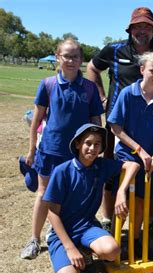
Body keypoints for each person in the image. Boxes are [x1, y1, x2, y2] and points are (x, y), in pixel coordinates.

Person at [86, 6, 153, 231]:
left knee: (150, 175)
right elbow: (92, 68)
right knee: (113, 172)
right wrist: (100, 95)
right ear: (130, 29)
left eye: (147, 27)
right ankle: (109, 220)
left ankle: (148, 224)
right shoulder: (114, 49)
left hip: (149, 123)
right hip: (118, 124)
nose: (142, 31)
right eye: (138, 26)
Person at [20, 38, 104, 260]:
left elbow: (96, 119)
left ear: (81, 60)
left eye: (75, 56)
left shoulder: (89, 88)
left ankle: (72, 231)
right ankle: (34, 239)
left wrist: (97, 145)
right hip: (51, 150)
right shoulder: (48, 84)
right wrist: (31, 150)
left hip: (78, 153)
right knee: (44, 194)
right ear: (58, 57)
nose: (71, 60)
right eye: (66, 55)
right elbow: (37, 119)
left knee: (77, 195)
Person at [43, 124, 139, 273]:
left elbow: (133, 165)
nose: (92, 148)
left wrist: (121, 191)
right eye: (88, 143)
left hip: (87, 226)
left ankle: (84, 249)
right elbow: (52, 214)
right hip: (62, 232)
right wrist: (70, 248)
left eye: (97, 144)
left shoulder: (101, 165)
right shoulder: (62, 171)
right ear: (78, 144)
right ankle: (65, 254)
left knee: (112, 251)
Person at [107, 52, 153, 255]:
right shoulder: (128, 93)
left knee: (142, 203)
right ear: (142, 70)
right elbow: (115, 128)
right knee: (124, 200)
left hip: (151, 160)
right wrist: (140, 151)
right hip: (128, 156)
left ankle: (133, 244)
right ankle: (116, 241)